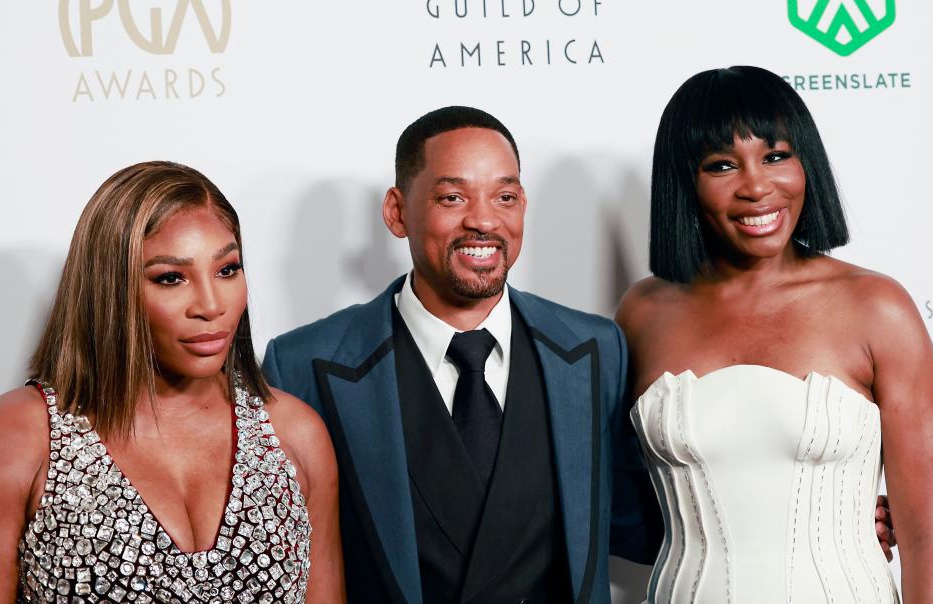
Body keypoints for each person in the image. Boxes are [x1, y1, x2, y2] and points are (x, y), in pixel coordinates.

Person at [262, 106, 662, 603]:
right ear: (397, 211)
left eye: (506, 196)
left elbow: (638, 523)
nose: (484, 220)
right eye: (452, 197)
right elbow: (286, 566)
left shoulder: (595, 349)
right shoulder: (304, 365)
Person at [616, 66, 933, 603]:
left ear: (805, 163)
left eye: (776, 156)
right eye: (721, 165)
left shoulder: (878, 308)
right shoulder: (642, 312)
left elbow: (932, 536)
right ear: (686, 181)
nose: (756, 187)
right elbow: (599, 492)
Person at [0, 161, 346, 602]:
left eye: (227, 270)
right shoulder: (19, 435)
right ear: (109, 289)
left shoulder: (296, 433)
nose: (211, 305)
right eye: (171, 278)